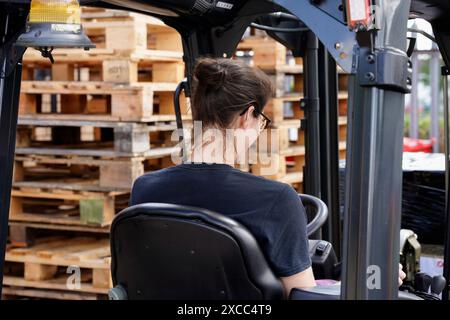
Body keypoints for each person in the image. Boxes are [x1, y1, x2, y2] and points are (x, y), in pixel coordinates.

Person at [130, 57, 406, 295]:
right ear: (247, 115)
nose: (260, 129)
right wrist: (365, 283)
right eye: (261, 120)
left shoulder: (145, 189)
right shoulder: (277, 199)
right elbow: (303, 295)